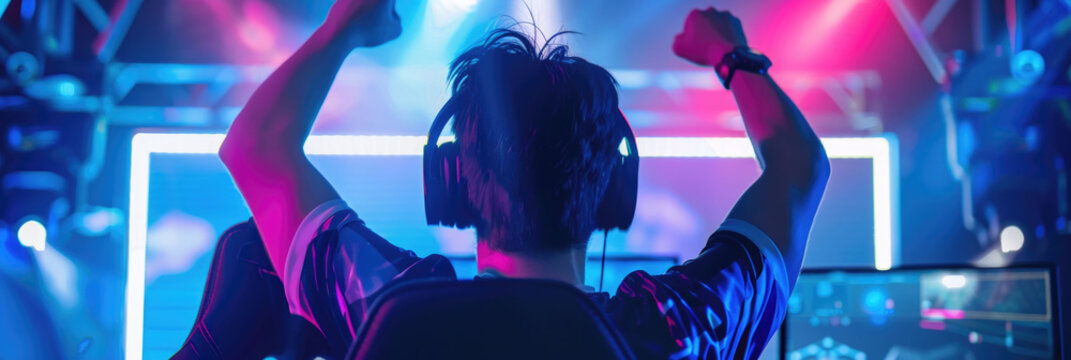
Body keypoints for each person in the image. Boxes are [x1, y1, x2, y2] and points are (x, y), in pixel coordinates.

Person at [218, 0, 829, 358]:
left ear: (451, 180)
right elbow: (800, 169)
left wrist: (343, 27)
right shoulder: (672, 328)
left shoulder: (387, 302)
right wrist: (732, 58)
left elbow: (257, 147)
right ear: (614, 191)